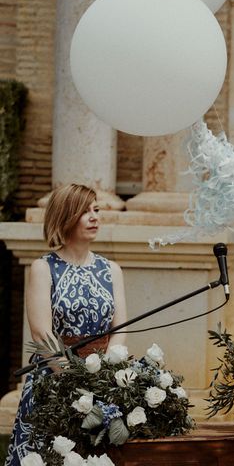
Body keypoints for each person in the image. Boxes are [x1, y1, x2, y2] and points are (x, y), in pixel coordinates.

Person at [4, 184, 127, 466]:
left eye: (96, 210)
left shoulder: (111, 270)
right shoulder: (43, 268)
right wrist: (74, 378)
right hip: (53, 379)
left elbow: (120, 327)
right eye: (85, 211)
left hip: (102, 378)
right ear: (65, 216)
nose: (94, 217)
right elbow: (41, 332)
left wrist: (104, 373)